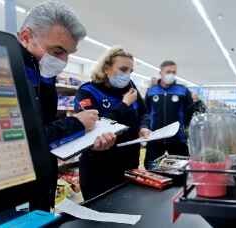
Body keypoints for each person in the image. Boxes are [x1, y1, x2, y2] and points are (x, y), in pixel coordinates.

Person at [17, 1, 116, 207]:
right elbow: (21, 141)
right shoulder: (5, 74)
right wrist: (76, 124)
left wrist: (88, 141)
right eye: (57, 51)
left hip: (42, 186)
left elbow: (45, 132)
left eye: (69, 53)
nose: (63, 61)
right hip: (12, 197)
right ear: (26, 37)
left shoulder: (43, 73)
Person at [74, 47, 151, 200]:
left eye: (130, 71)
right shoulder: (88, 91)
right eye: (123, 69)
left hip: (129, 165)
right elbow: (95, 127)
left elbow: (144, 112)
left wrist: (144, 127)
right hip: (99, 169)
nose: (127, 75)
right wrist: (124, 105)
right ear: (106, 68)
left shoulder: (131, 88)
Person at [144, 60, 193, 169]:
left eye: (174, 72)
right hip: (155, 138)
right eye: (168, 72)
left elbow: (189, 111)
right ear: (161, 72)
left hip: (177, 139)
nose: (171, 74)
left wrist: (182, 127)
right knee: (152, 169)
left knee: (181, 170)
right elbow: (146, 112)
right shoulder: (151, 91)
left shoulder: (183, 91)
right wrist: (146, 127)